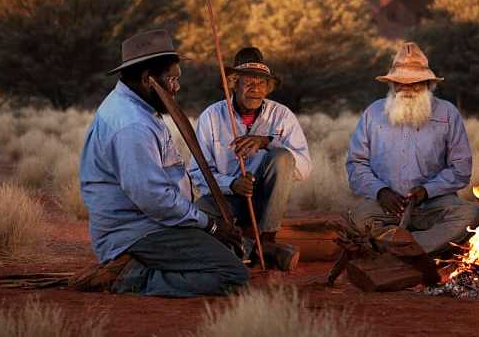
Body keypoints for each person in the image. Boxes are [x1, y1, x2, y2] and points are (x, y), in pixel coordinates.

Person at [79, 30, 249, 297]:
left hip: (155, 222)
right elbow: (155, 200)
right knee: (233, 276)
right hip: (135, 232)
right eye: (172, 79)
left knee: (229, 242)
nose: (176, 87)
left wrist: (207, 225)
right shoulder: (132, 124)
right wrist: (211, 226)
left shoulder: (138, 108)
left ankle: (151, 266)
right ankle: (130, 277)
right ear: (148, 79)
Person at [346, 42, 479, 255]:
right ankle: (416, 247)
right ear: (392, 85)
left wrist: (427, 191)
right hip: (386, 206)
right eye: (400, 83)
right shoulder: (373, 113)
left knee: (471, 213)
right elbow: (356, 164)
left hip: (434, 204)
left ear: (429, 84)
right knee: (357, 217)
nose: (407, 88)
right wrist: (380, 191)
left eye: (416, 83)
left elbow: (461, 168)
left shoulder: (448, 113)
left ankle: (400, 247)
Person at [189, 47, 311, 271]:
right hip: (227, 201)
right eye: (249, 83)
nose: (256, 89)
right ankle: (262, 250)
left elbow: (304, 168)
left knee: (283, 157)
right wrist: (232, 184)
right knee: (195, 216)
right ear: (233, 84)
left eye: (262, 83)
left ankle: (266, 240)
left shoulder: (282, 116)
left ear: (269, 87)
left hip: (266, 203)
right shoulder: (211, 117)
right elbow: (198, 173)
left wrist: (268, 142)